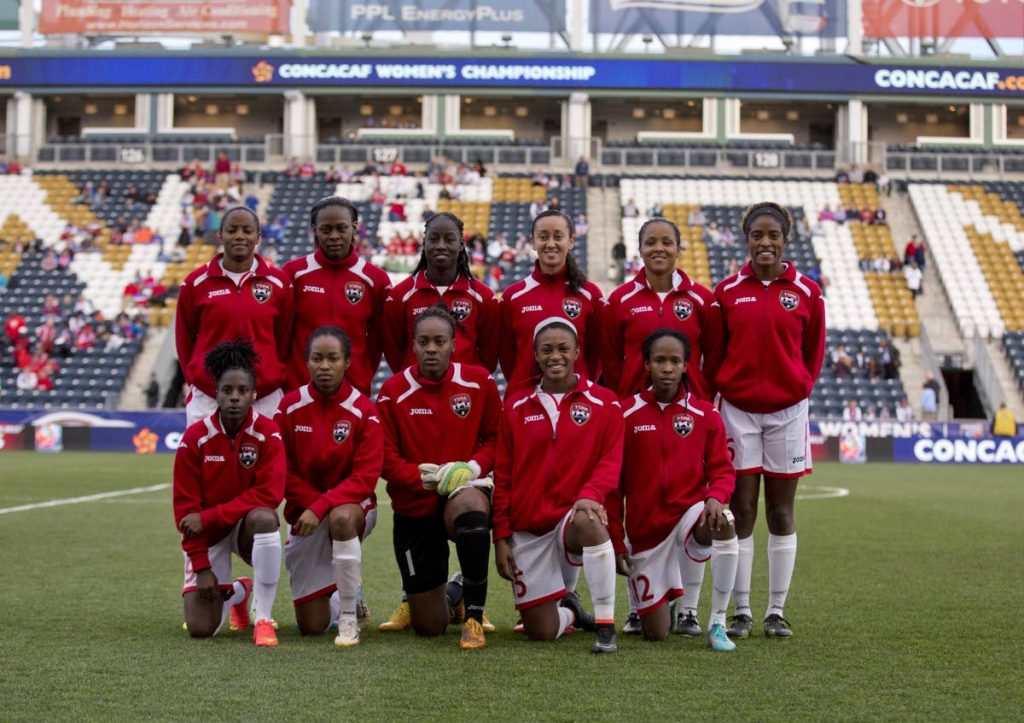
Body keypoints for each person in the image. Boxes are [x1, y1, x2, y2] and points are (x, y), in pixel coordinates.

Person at [712, 202, 826, 640]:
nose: (765, 242)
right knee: (740, 511)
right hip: (737, 412)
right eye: (757, 235)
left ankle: (775, 611)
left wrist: (796, 386)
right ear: (746, 240)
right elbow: (716, 353)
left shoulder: (808, 292)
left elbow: (812, 355)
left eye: (772, 235)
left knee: (780, 511)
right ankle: (740, 610)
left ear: (785, 239)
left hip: (787, 413)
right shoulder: (726, 292)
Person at [493, 319, 623, 654]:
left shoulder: (606, 403)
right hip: (529, 528)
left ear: (577, 352)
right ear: (535, 355)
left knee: (591, 519)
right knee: (541, 631)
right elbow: (503, 476)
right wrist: (501, 536)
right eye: (547, 350)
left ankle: (606, 627)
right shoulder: (516, 406)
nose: (556, 356)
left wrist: (588, 496)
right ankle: (573, 613)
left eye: (563, 348)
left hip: (572, 519)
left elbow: (611, 463)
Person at [376, 306, 501, 650]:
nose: (431, 348)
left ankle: (474, 617)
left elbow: (495, 438)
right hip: (414, 506)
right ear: (413, 346)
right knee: (429, 626)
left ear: (453, 343)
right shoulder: (392, 391)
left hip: (461, 494)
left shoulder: (480, 382)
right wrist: (426, 480)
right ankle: (455, 594)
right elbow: (384, 458)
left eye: (439, 341)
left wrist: (471, 470)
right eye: (423, 341)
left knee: (470, 504)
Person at [607, 330, 738, 650]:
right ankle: (659, 602)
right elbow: (613, 484)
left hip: (689, 516)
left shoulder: (705, 414)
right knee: (656, 634)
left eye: (675, 361)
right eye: (660, 360)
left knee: (724, 521)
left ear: (685, 366)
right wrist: (615, 539)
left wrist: (715, 497)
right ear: (647, 365)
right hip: (646, 535)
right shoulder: (624, 413)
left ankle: (718, 621)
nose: (667, 367)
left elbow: (722, 469)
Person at [172, 339, 285, 646]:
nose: (235, 398)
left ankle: (263, 617)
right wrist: (202, 567)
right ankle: (237, 591)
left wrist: (211, 517)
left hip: (242, 526)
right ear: (217, 394)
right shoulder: (195, 438)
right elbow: (184, 511)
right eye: (227, 391)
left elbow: (269, 494)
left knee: (265, 518)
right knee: (201, 629)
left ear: (254, 394)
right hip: (207, 536)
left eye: (242, 391)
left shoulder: (268, 433)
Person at [276, 327, 382, 646]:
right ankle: (346, 594)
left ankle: (349, 617)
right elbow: (282, 470)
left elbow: (365, 477)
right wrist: (312, 505)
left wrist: (321, 506)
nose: (324, 365)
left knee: (341, 518)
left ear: (347, 362)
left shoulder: (364, 411)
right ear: (306, 362)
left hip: (352, 509)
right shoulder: (289, 408)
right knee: (311, 626)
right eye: (317, 358)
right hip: (306, 513)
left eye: (332, 358)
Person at [175, 206, 294, 427]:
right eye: (232, 230)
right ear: (221, 235)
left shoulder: (279, 283)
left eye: (247, 230)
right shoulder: (195, 283)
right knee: (208, 461)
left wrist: (271, 376)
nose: (239, 236)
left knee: (265, 461)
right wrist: (198, 379)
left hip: (265, 397)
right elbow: (185, 340)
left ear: (258, 237)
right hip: (209, 396)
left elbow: (284, 340)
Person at [603, 218, 721, 401]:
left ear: (678, 250)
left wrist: (701, 395)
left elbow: (714, 358)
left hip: (691, 411)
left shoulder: (703, 300)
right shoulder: (619, 300)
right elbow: (611, 360)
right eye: (650, 243)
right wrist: (625, 396)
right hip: (634, 411)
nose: (658, 248)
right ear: (640, 250)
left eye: (667, 243)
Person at [282, 196, 391, 394]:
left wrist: (362, 375)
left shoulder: (376, 280)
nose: (334, 235)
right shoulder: (293, 273)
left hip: (353, 392)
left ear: (354, 226)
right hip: (298, 391)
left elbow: (377, 340)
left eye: (341, 228)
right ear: (315, 230)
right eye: (326, 229)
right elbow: (282, 333)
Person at [499, 210, 603, 396]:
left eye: (558, 236)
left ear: (571, 241)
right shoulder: (513, 296)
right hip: (525, 403)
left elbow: (596, 355)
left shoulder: (590, 294)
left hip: (577, 401)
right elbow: (508, 357)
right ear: (533, 242)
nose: (550, 244)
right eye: (543, 237)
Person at [383, 213, 499, 374]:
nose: (441, 246)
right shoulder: (399, 295)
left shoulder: (484, 297)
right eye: (433, 239)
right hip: (416, 392)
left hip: (466, 395)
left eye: (449, 239)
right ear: (424, 243)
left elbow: (489, 356)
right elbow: (394, 353)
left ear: (461, 244)